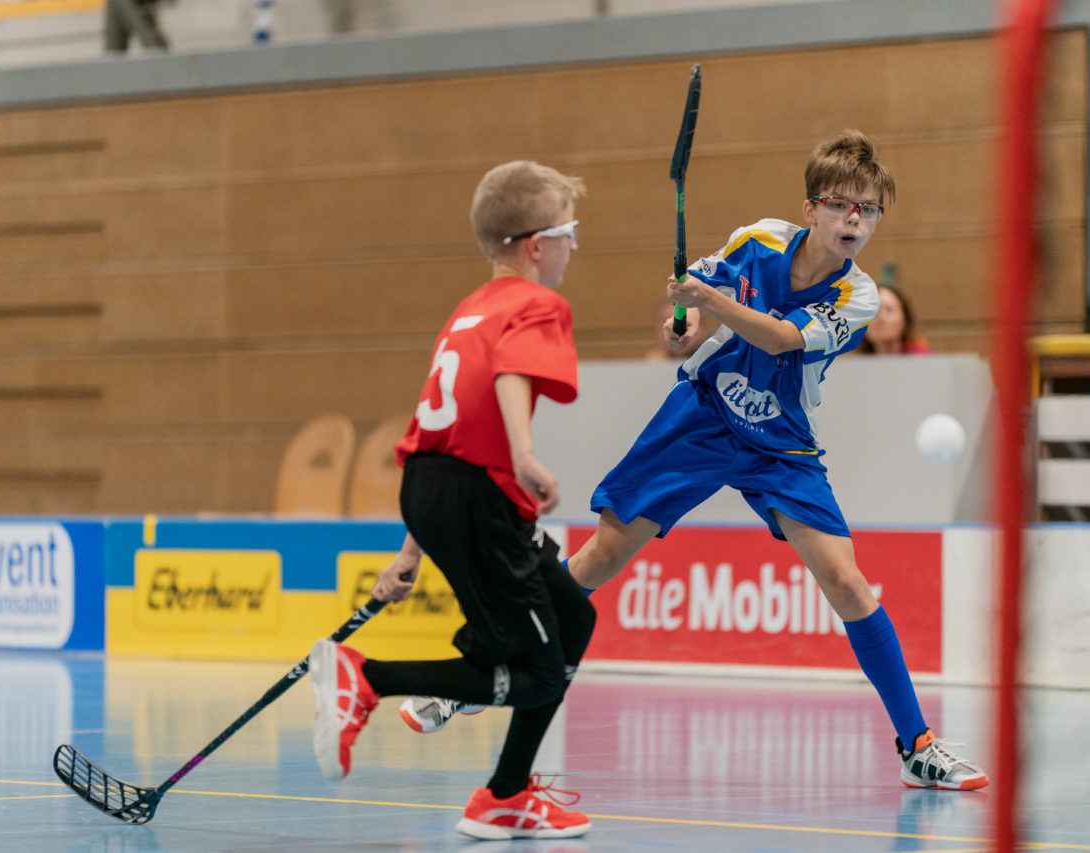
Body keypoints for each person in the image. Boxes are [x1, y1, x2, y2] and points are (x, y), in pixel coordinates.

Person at [390, 130, 988, 792]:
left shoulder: (861, 297)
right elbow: (694, 298)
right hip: (702, 417)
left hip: (780, 441)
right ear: (810, 206)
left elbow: (785, 339)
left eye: (868, 209)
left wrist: (710, 306)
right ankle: (473, 673)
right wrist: (685, 321)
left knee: (847, 583)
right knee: (597, 560)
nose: (854, 219)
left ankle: (918, 744)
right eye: (841, 204)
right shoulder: (760, 238)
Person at [308, 159, 598, 840]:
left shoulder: (471, 307)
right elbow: (512, 373)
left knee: (573, 618)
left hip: (435, 486)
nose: (574, 246)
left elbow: (444, 430)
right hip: (481, 498)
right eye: (569, 231)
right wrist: (525, 454)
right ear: (535, 244)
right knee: (538, 675)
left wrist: (411, 550)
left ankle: (506, 794)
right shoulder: (536, 303)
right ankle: (369, 677)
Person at [858, 283, 933, 354]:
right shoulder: (856, 364)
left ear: (905, 319)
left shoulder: (922, 360)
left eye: (889, 310)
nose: (881, 317)